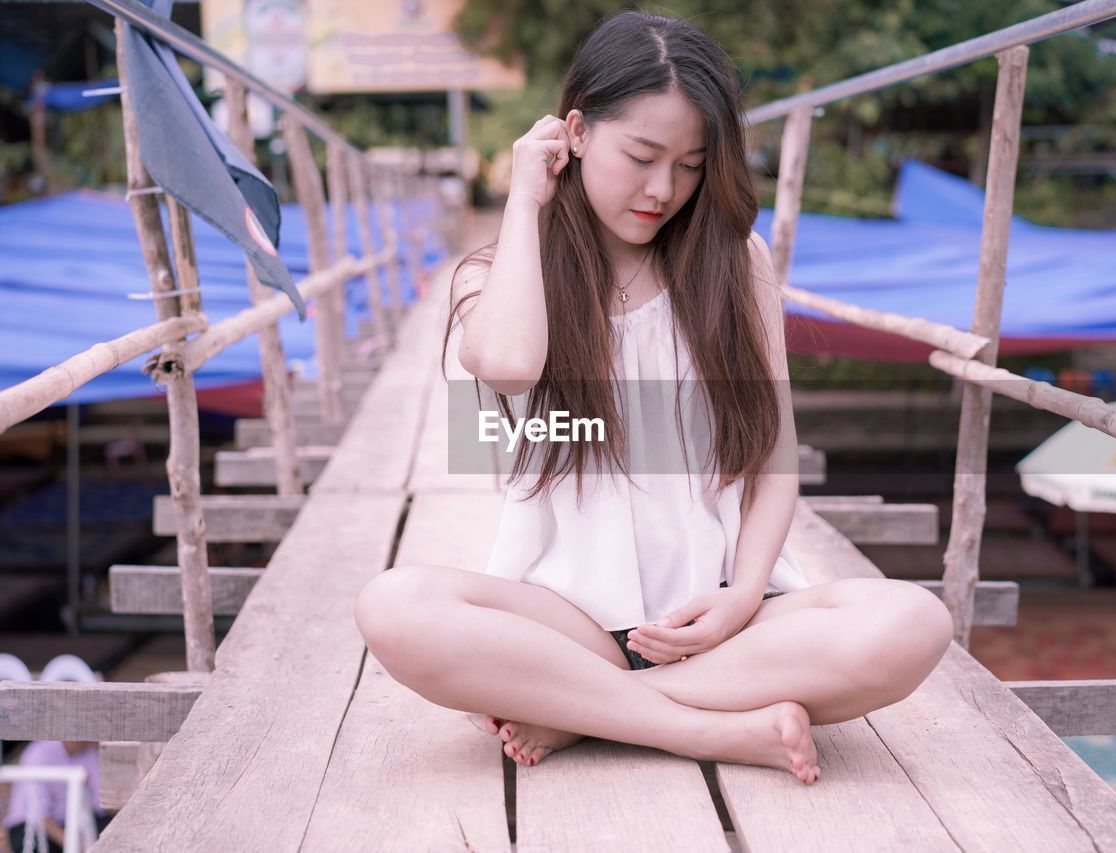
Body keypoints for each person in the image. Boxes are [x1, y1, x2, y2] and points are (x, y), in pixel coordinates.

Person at [354, 10, 954, 784]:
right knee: (392, 606)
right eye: (640, 156)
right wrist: (523, 201)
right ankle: (704, 726)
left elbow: (774, 463)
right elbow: (506, 364)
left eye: (690, 164)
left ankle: (581, 712)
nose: (663, 189)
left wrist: (740, 599)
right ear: (573, 132)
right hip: (563, 624)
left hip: (723, 624)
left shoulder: (737, 264)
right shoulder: (496, 274)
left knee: (911, 623)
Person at [2, 740, 112, 853]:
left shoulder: (89, 752)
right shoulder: (40, 753)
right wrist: (73, 844)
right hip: (33, 824)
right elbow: (39, 813)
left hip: (72, 823)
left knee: (109, 831)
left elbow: (100, 804)